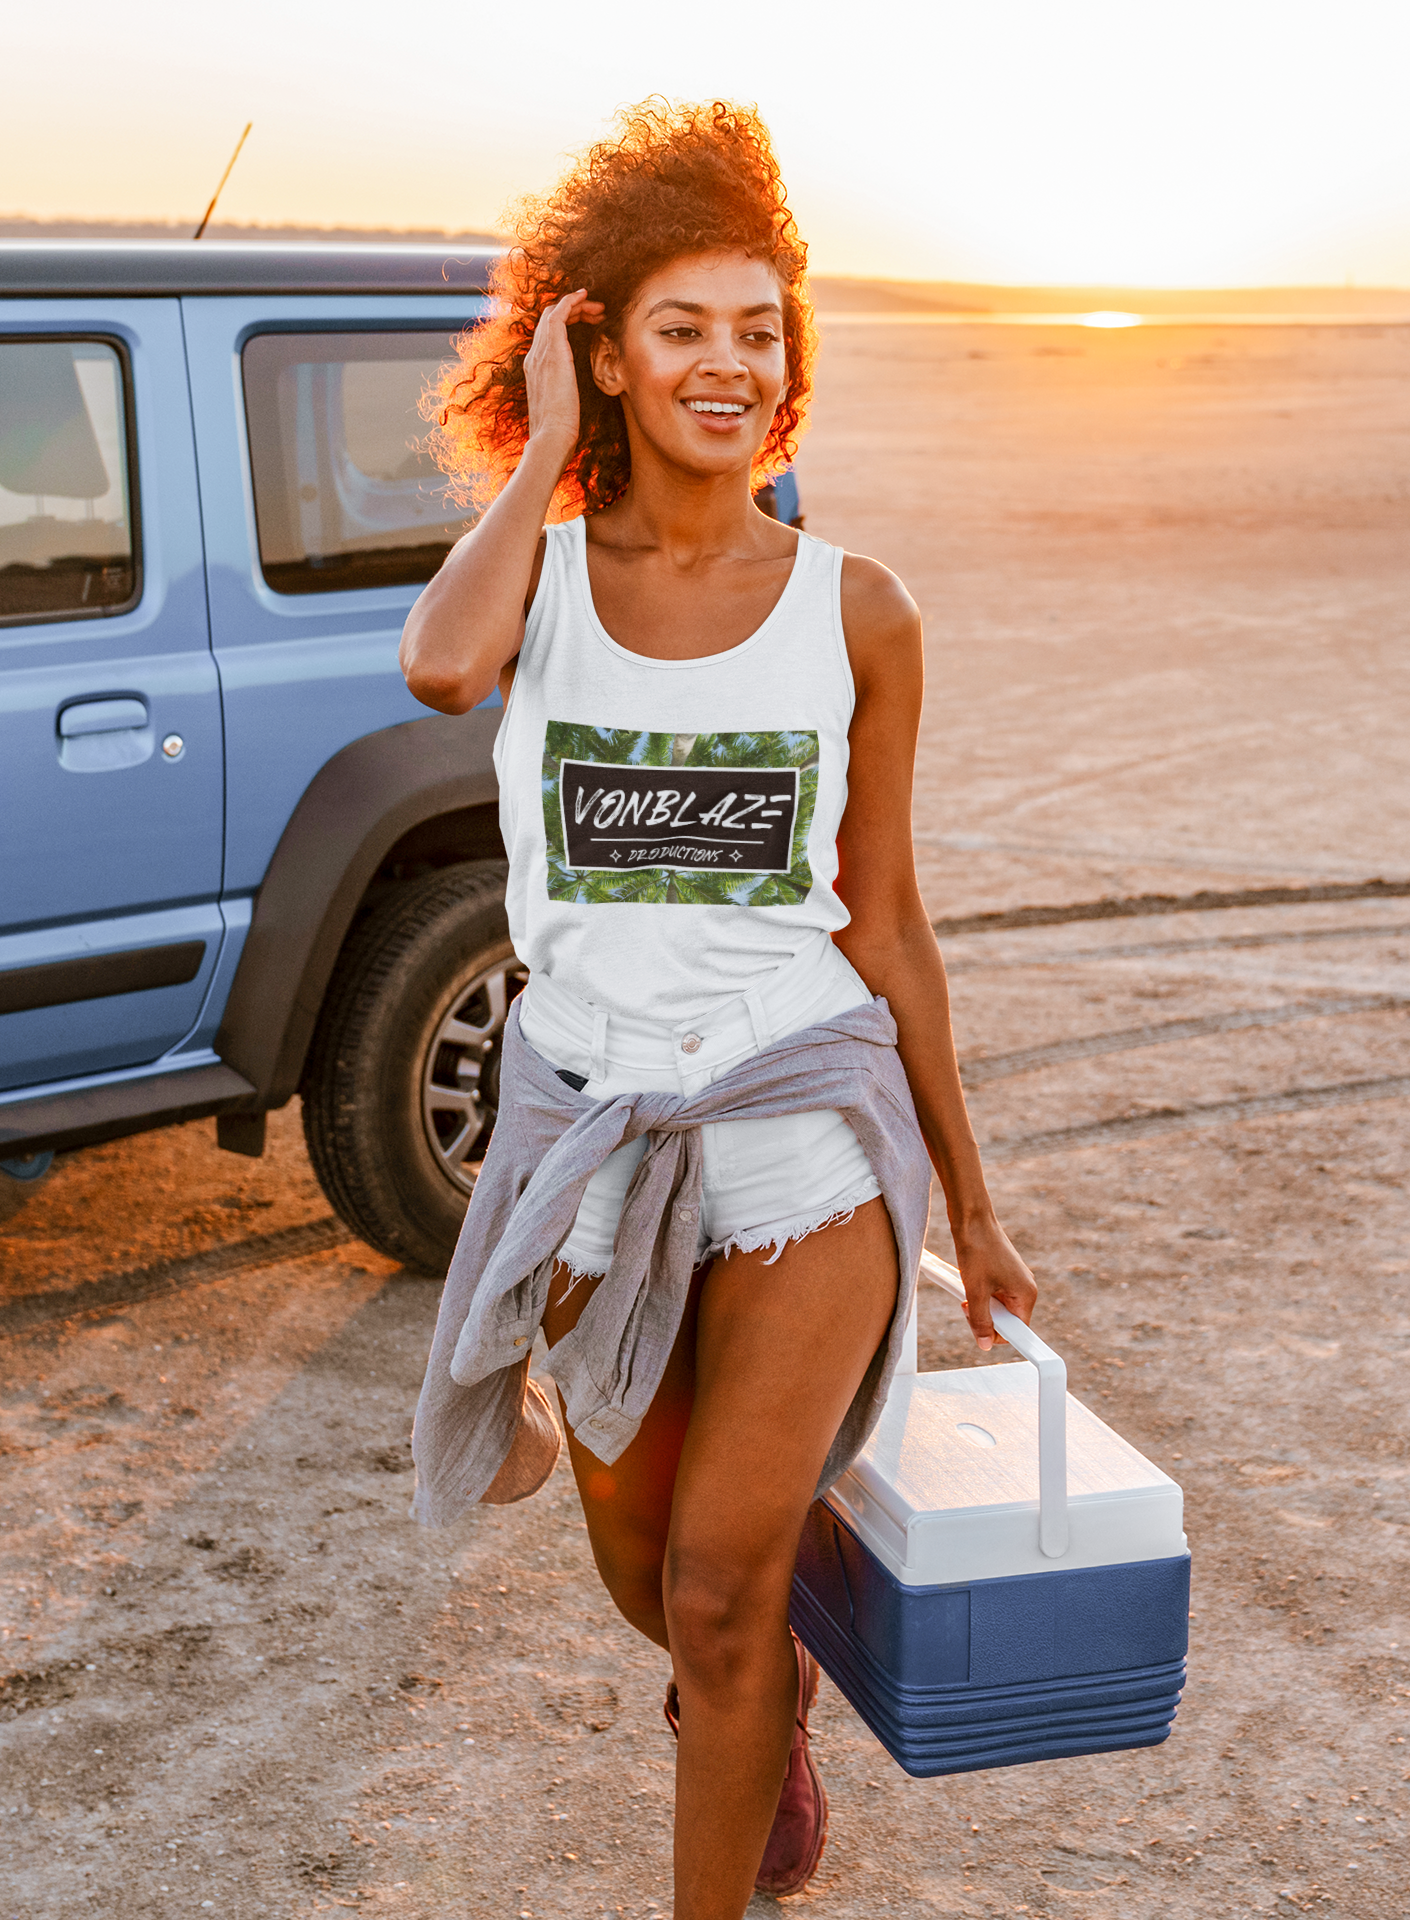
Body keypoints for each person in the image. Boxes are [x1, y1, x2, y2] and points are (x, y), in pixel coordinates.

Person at [399, 99, 1036, 1920]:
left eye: (761, 331)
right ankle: (747, 1706)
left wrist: (973, 1209)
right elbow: (438, 662)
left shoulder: (859, 611)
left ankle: (735, 1759)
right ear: (600, 346)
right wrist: (544, 444)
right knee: (640, 1550)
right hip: (596, 1109)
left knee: (722, 1578)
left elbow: (890, 920)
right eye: (683, 327)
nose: (731, 366)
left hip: (804, 1125)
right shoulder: (540, 597)